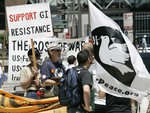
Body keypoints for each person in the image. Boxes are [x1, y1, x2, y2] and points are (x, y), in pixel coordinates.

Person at [82, 42, 106, 113]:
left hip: (98, 103)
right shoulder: (85, 65)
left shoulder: (98, 65)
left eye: (83, 51)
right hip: (92, 103)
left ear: (89, 53)